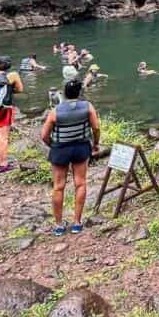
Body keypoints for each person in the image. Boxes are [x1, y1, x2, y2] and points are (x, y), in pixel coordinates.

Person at [40, 78, 101, 236]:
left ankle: (59, 225)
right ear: (80, 92)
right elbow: (96, 127)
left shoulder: (56, 111)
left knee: (58, 186)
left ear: (65, 94)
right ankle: (76, 223)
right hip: (81, 147)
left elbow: (44, 135)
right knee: (80, 183)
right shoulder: (88, 106)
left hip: (60, 149)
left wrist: (52, 145)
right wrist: (95, 144)